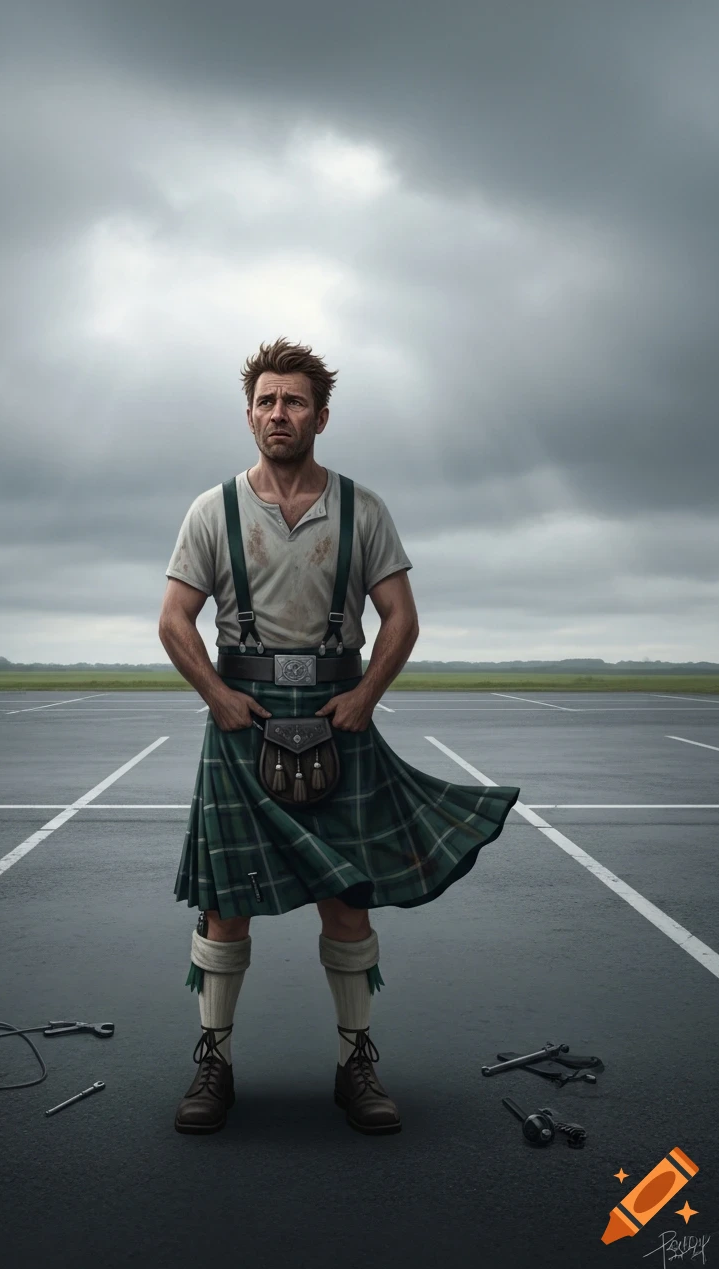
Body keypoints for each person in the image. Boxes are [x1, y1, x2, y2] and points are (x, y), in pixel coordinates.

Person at [158, 337, 520, 1136]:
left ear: (321, 415)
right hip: (241, 721)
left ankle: (357, 1062)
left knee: (348, 902)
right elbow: (174, 620)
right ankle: (213, 1061)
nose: (277, 414)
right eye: (265, 401)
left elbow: (402, 618)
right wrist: (217, 695)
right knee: (225, 910)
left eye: (292, 402)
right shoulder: (211, 512)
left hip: (334, 716)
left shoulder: (364, 511)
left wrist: (364, 696)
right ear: (248, 414)